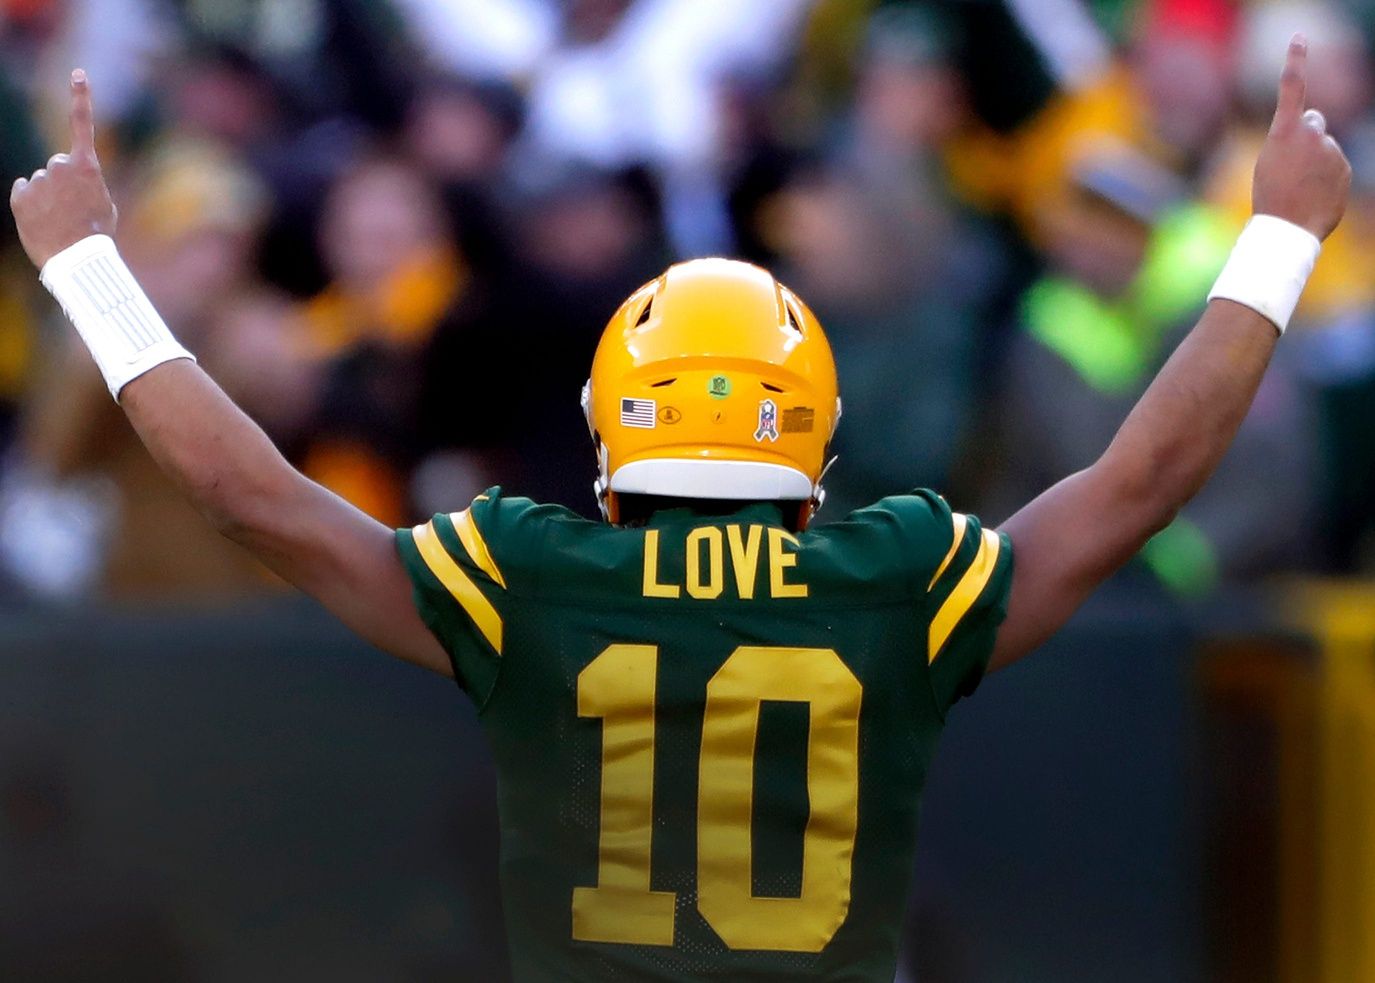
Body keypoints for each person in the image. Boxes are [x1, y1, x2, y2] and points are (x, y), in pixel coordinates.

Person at [8, 37, 1349, 982]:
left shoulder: (525, 576)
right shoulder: (895, 576)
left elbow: (253, 497)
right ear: (811, 425)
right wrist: (1281, 235)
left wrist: (86, 269)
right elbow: (1142, 485)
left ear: (614, 418)